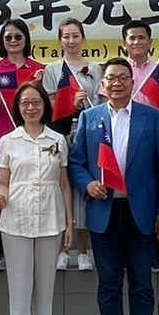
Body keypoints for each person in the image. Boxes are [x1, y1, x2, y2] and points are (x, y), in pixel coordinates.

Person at [68, 57, 159, 315]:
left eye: (123, 77)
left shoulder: (153, 118)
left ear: (132, 82)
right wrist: (88, 183)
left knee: (142, 286)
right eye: (111, 78)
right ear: (102, 85)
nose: (116, 83)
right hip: (104, 214)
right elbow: (76, 162)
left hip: (141, 214)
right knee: (109, 286)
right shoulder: (89, 118)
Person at [0, 82, 74, 315]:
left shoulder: (57, 139)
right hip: (16, 219)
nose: (30, 107)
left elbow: (64, 183)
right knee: (19, 289)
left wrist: (69, 221)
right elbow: (3, 180)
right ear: (18, 107)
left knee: (45, 288)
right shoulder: (8, 141)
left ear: (45, 105)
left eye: (36, 102)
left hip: (50, 218)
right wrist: (0, 196)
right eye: (25, 103)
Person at [0, 18, 44, 271]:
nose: (13, 41)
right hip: (4, 140)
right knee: (3, 196)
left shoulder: (38, 69)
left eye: (18, 36)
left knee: (32, 194)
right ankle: (4, 253)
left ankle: (35, 250)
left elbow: (47, 105)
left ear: (26, 39)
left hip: (34, 140)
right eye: (8, 37)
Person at [42, 17, 100, 271]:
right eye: (66, 36)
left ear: (83, 38)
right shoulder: (53, 69)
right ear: (60, 40)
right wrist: (69, 104)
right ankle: (62, 250)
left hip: (88, 135)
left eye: (75, 35)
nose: (71, 40)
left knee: (83, 193)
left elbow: (101, 103)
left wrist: (84, 105)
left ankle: (84, 251)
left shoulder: (95, 68)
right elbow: (50, 106)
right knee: (61, 190)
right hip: (61, 134)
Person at [121, 19, 159, 270]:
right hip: (124, 141)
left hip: (154, 140)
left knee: (155, 193)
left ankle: (157, 251)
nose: (137, 42)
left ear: (150, 41)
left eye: (141, 37)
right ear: (124, 43)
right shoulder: (118, 71)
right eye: (132, 38)